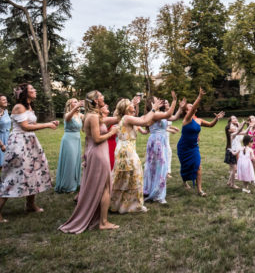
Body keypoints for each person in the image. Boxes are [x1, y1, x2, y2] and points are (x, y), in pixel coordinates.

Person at [0, 83, 59, 224]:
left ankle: (30, 204)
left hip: (30, 143)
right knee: (13, 176)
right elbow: (25, 127)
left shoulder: (29, 107)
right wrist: (48, 125)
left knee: (34, 171)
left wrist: (49, 123)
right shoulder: (18, 107)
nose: (35, 90)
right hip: (19, 144)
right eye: (32, 89)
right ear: (25, 93)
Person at [59, 90, 120, 233]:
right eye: (101, 96)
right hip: (99, 153)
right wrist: (111, 133)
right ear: (96, 100)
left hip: (97, 152)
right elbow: (97, 139)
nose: (104, 97)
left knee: (102, 186)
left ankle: (99, 218)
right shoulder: (92, 116)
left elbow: (90, 138)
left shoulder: (94, 115)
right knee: (105, 187)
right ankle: (103, 222)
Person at [109, 94, 176, 214]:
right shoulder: (126, 118)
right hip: (126, 150)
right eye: (130, 104)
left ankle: (125, 204)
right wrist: (154, 109)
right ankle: (129, 204)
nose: (132, 105)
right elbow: (144, 121)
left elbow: (145, 124)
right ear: (125, 108)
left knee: (127, 177)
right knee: (133, 176)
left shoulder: (128, 118)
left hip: (127, 149)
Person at [176, 88, 224, 197]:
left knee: (198, 166)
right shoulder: (186, 119)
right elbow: (193, 108)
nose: (192, 107)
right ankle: (184, 181)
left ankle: (199, 190)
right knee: (185, 166)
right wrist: (200, 97)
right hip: (183, 147)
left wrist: (216, 119)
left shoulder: (199, 120)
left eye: (192, 106)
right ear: (186, 111)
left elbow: (211, 125)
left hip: (194, 147)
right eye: (189, 106)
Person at [143, 97, 184, 204]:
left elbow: (173, 117)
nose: (159, 101)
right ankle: (157, 194)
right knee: (159, 167)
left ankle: (157, 191)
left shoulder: (158, 113)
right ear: (152, 103)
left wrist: (180, 108)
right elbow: (168, 114)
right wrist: (174, 101)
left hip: (162, 142)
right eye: (157, 100)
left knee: (160, 167)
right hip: (156, 142)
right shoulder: (154, 114)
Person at [54, 98, 85, 193]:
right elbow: (68, 118)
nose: (77, 103)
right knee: (70, 161)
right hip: (68, 139)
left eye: (77, 101)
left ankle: (75, 183)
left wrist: (87, 106)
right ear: (70, 105)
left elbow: (89, 118)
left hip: (77, 139)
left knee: (76, 161)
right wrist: (77, 106)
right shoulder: (68, 114)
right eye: (74, 102)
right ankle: (68, 186)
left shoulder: (80, 115)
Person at [224, 116, 249, 189]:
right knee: (234, 169)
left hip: (235, 150)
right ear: (229, 130)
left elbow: (244, 132)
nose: (234, 127)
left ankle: (230, 182)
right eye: (232, 126)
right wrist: (242, 125)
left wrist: (249, 126)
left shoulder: (235, 133)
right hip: (231, 152)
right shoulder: (232, 134)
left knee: (233, 169)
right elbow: (238, 130)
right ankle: (232, 184)